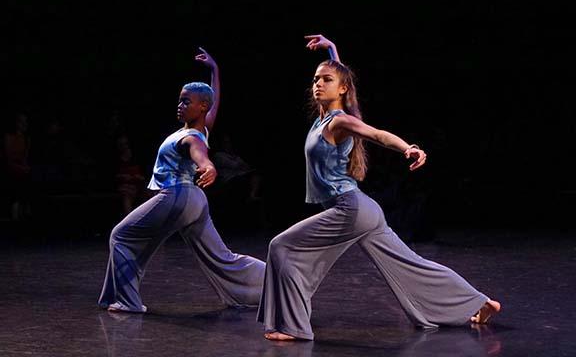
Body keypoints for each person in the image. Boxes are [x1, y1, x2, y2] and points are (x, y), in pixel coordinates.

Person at [257, 35, 500, 340]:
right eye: (316, 79)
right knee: (412, 264)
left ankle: (293, 327)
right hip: (363, 212)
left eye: (326, 79)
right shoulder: (323, 119)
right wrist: (331, 50)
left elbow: (377, 134)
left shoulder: (339, 122)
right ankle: (483, 302)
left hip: (349, 210)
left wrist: (406, 148)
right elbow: (342, 77)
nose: (318, 83)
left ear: (342, 88)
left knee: (282, 247)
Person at [98, 47, 265, 313]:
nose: (180, 105)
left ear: (202, 107)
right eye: (179, 100)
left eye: (186, 101)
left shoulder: (192, 137)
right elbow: (215, 100)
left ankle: (128, 302)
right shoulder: (201, 128)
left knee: (121, 236)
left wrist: (208, 165)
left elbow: (199, 154)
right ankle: (277, 284)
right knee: (221, 257)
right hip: (195, 203)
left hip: (177, 196)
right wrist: (215, 70)